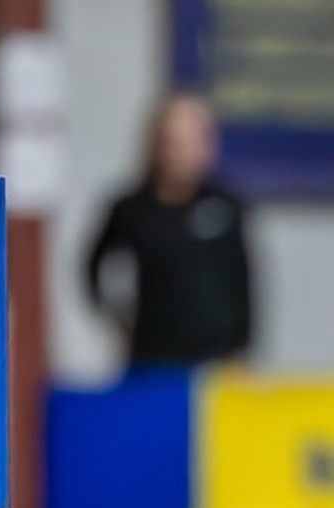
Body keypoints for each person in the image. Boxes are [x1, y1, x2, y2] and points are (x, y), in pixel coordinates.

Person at [87, 94, 252, 368]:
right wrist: (118, 320)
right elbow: (93, 267)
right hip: (152, 358)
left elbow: (243, 280)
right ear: (155, 143)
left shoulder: (226, 206)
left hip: (215, 360)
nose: (181, 153)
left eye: (192, 141)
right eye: (173, 142)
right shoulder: (132, 210)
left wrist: (242, 348)